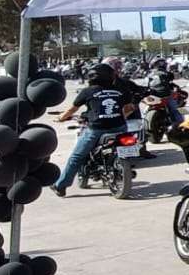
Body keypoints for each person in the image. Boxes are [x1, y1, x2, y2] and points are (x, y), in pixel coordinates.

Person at [51, 64, 133, 195]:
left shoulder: (88, 91)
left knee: (77, 157)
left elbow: (72, 110)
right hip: (120, 127)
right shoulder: (121, 90)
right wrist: (118, 116)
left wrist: (61, 118)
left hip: (96, 129)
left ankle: (60, 186)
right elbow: (129, 108)